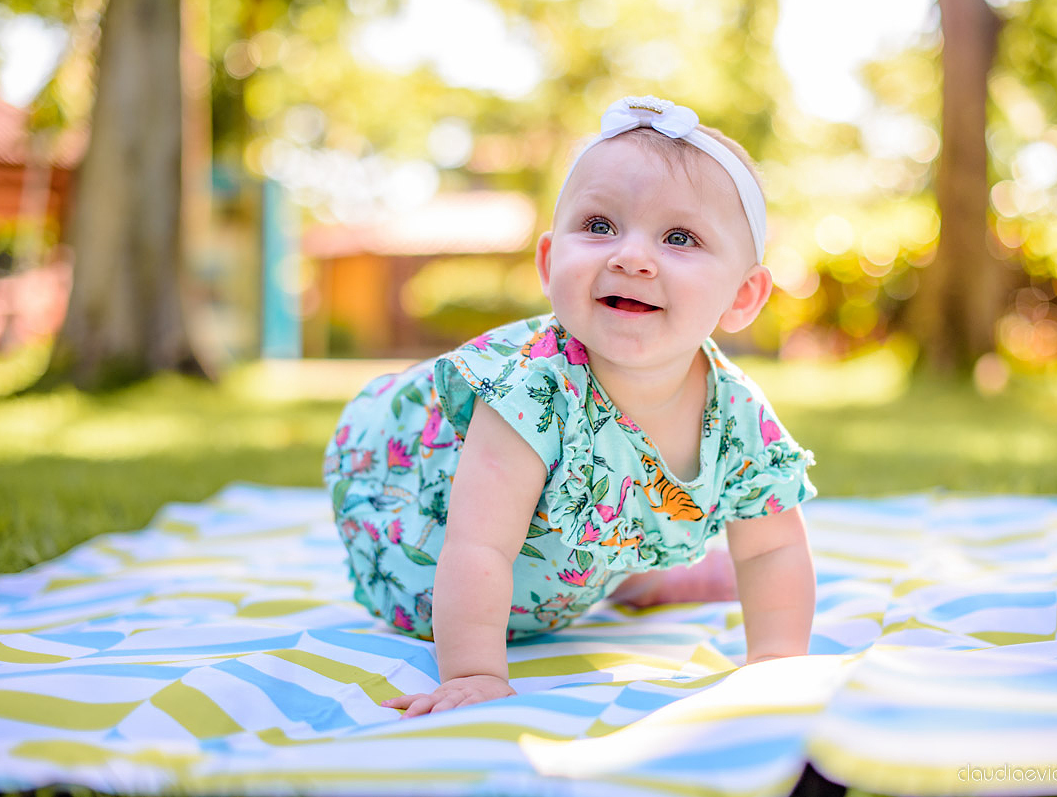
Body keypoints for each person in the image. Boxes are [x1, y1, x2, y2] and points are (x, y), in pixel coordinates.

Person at [323, 96, 817, 718]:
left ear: (743, 297)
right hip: (429, 567)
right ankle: (634, 581)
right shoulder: (530, 390)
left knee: (615, 506)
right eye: (601, 225)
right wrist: (474, 672)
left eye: (679, 237)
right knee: (510, 530)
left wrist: (775, 662)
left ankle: (637, 575)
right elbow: (478, 545)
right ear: (550, 261)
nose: (631, 256)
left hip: (560, 569)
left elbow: (772, 548)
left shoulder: (740, 416)